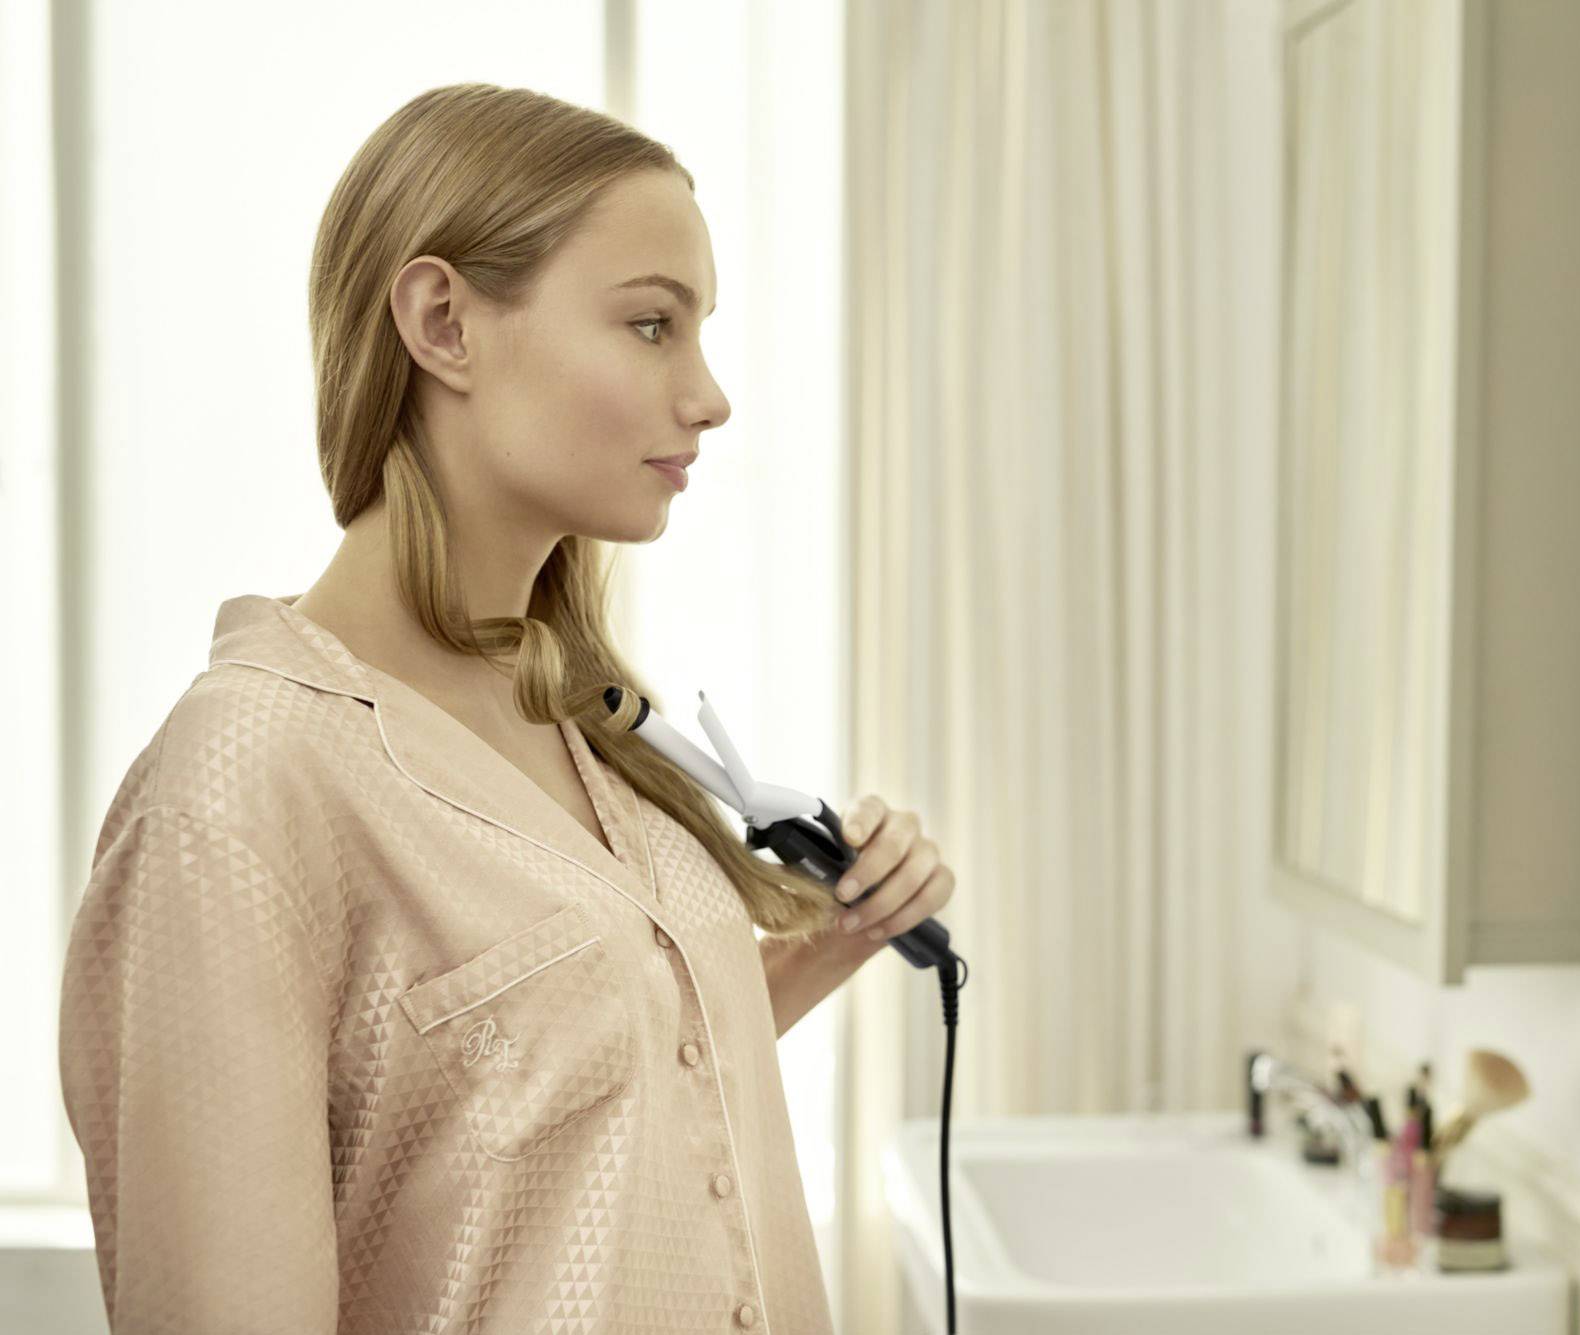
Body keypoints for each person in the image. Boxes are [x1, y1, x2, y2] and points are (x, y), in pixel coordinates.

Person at [56, 81, 956, 1334]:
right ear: (443, 322)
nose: (708, 396)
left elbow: (555, 1080)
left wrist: (829, 942)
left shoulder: (581, 717)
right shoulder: (246, 783)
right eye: (652, 325)